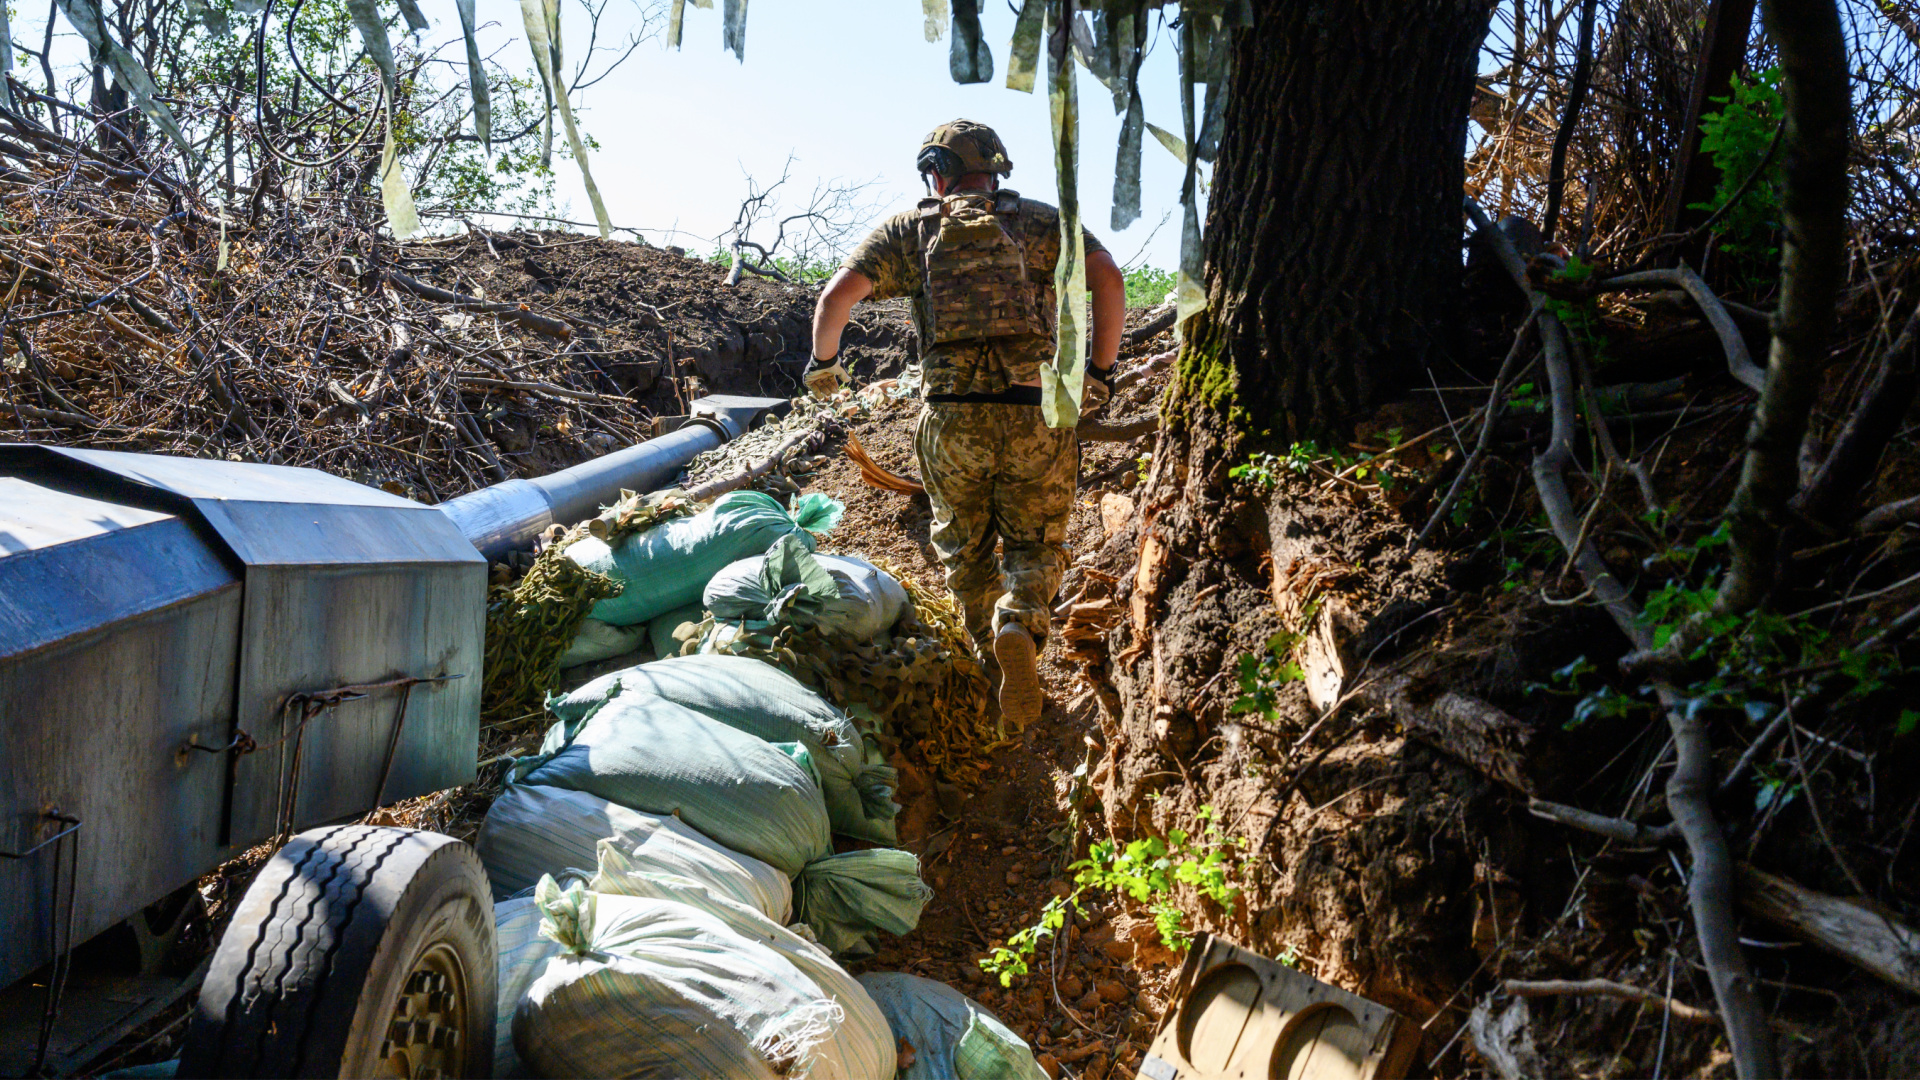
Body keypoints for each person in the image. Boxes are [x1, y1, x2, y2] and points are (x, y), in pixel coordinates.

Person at [805, 119, 1127, 727]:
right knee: (1035, 543)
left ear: (936, 171)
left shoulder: (909, 230)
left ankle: (989, 655)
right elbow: (1108, 279)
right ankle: (1021, 625)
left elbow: (834, 300)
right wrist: (1100, 372)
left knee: (963, 545)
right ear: (997, 169)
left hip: (952, 420)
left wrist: (824, 366)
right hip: (1035, 413)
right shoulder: (1036, 222)